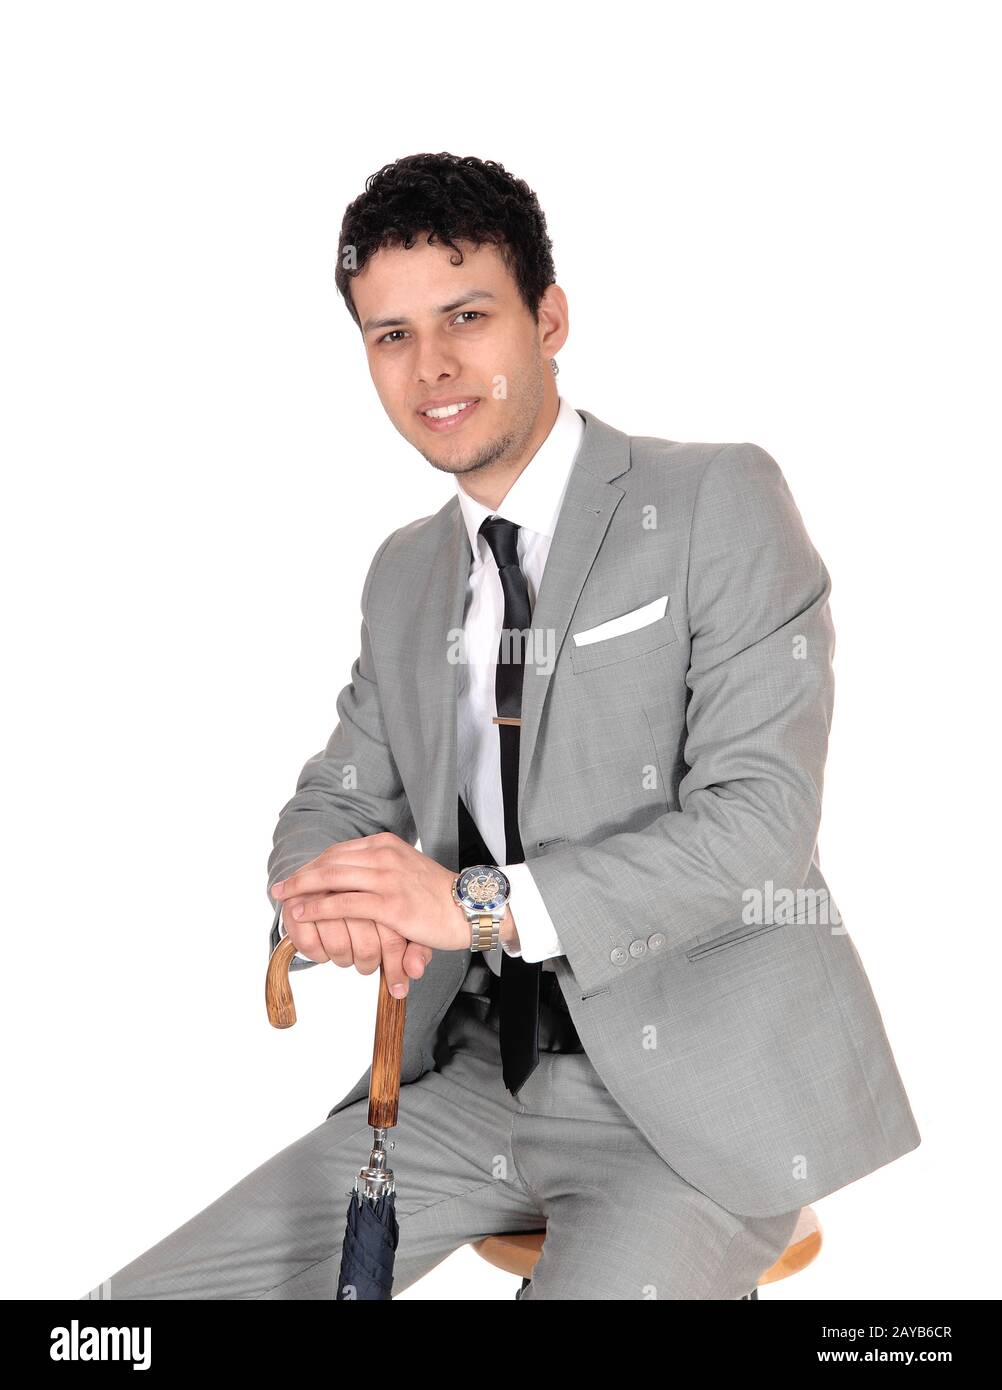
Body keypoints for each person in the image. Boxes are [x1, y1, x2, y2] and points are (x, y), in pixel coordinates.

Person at [88, 151, 920, 1301]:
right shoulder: (405, 574)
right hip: (472, 1080)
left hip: (691, 1111)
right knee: (124, 1321)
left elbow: (759, 828)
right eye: (389, 335)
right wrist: (321, 895)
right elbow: (340, 790)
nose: (430, 366)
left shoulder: (715, 499)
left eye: (466, 316)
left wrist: (468, 903)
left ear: (550, 317)